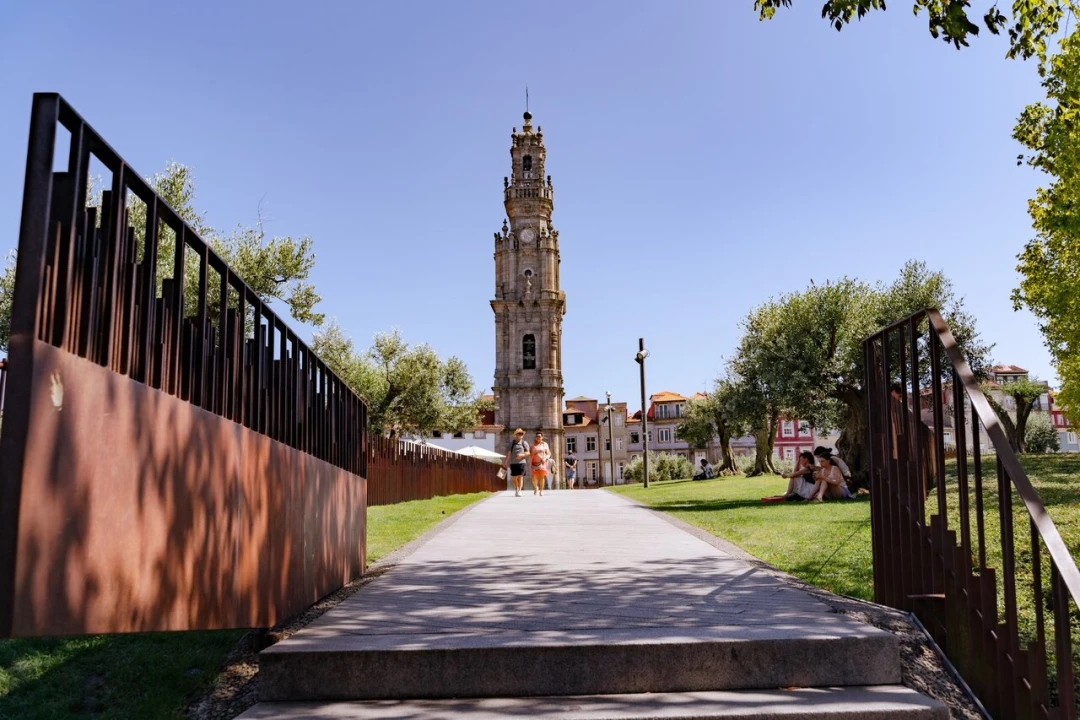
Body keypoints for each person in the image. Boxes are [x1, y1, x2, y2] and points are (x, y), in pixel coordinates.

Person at [501, 428, 530, 497]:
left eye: (521, 433)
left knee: (520, 477)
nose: (520, 435)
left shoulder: (524, 443)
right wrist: (505, 463)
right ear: (516, 435)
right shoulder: (512, 443)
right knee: (514, 478)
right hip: (513, 463)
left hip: (522, 462)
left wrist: (522, 455)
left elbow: (528, 453)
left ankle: (519, 490)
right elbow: (508, 454)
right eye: (519, 433)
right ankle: (516, 488)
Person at [530, 431, 551, 496]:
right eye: (537, 436)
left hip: (542, 463)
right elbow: (529, 453)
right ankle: (536, 487)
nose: (538, 437)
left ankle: (541, 491)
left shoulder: (545, 444)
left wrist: (546, 458)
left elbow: (549, 453)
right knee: (534, 477)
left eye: (539, 436)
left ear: (542, 437)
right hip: (534, 463)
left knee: (542, 477)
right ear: (535, 437)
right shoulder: (532, 444)